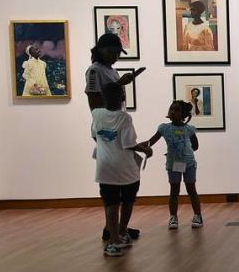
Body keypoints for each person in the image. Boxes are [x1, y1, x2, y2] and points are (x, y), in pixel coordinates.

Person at [85, 33, 144, 242]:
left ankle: (117, 229)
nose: (116, 56)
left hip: (116, 127)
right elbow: (95, 102)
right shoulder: (94, 71)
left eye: (118, 52)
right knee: (112, 186)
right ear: (101, 49)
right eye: (113, 51)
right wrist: (120, 83)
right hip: (107, 129)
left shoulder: (110, 69)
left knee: (119, 185)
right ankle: (113, 230)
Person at [92, 83, 153, 256]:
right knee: (127, 201)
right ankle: (121, 233)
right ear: (123, 98)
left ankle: (114, 241)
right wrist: (146, 150)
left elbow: (95, 135)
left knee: (111, 204)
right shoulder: (125, 118)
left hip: (105, 168)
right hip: (126, 170)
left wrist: (107, 147)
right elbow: (129, 144)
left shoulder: (96, 114)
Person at [145, 100, 203, 229]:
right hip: (173, 164)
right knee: (174, 191)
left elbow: (196, 146)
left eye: (176, 110)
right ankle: (173, 217)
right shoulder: (164, 128)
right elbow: (150, 141)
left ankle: (198, 215)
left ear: (183, 114)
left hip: (188, 164)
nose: (172, 112)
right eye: (171, 109)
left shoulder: (189, 129)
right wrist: (136, 146)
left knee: (191, 189)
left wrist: (183, 152)